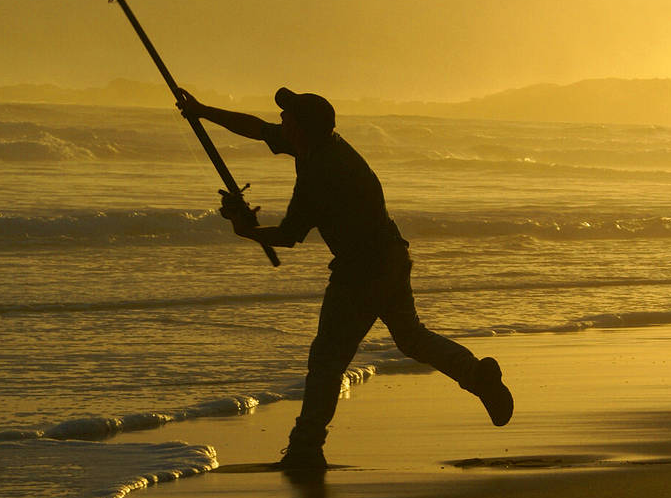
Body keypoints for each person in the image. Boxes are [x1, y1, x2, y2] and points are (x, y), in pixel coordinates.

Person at [176, 86, 513, 471]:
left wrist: (245, 229)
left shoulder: (320, 173)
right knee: (412, 337)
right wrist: (202, 111)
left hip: (360, 272)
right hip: (391, 257)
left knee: (326, 362)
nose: (280, 122)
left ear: (301, 130)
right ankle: (476, 374)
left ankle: (305, 447)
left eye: (287, 118)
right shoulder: (323, 146)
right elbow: (258, 128)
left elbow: (289, 235)